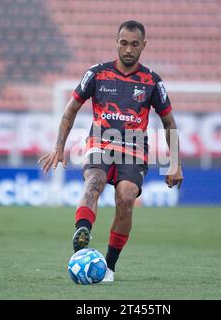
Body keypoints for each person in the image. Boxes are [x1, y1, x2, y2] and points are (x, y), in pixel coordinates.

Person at [38, 20, 183, 282]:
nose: (128, 49)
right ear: (116, 42)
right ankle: (82, 237)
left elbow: (169, 122)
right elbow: (70, 110)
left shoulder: (152, 81)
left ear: (143, 46)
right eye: (124, 43)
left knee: (126, 199)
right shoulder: (96, 74)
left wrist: (175, 164)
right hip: (100, 144)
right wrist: (59, 147)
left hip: (134, 149)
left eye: (134, 44)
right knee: (94, 182)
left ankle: (110, 266)